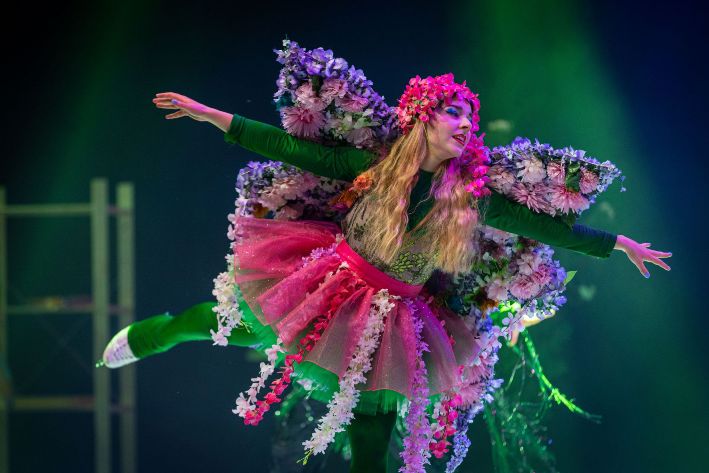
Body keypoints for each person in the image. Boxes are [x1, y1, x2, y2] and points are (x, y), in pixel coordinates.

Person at [102, 75, 671, 472]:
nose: (465, 125)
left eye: (470, 118)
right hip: (329, 280)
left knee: (373, 424)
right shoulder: (372, 165)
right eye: (454, 113)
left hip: (396, 311)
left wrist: (618, 243)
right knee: (228, 324)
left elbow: (547, 228)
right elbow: (288, 146)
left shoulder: (470, 199)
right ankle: (147, 336)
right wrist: (210, 115)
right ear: (422, 117)